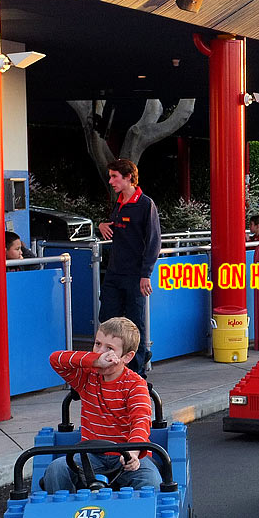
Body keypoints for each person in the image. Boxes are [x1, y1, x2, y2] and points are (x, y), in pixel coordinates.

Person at [41, 317, 162, 493]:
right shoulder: (86, 378)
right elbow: (56, 359)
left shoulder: (135, 384)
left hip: (126, 456)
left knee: (150, 481)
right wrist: (95, 361)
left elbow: (141, 420)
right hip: (90, 455)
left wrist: (134, 452)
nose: (101, 352)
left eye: (110, 349)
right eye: (98, 344)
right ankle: (64, 516)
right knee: (56, 469)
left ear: (127, 356)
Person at [97, 158, 161, 377]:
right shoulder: (119, 201)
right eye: (111, 176)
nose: (111, 180)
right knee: (107, 318)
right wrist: (101, 225)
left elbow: (153, 241)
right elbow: (116, 226)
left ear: (128, 178)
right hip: (114, 271)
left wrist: (146, 274)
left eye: (115, 176)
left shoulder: (145, 204)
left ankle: (137, 371)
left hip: (134, 274)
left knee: (135, 324)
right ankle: (111, 365)